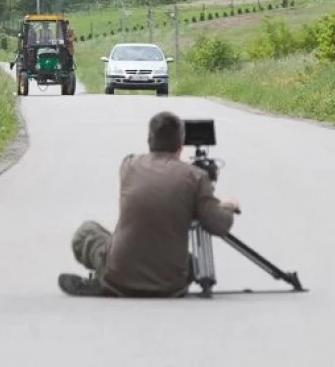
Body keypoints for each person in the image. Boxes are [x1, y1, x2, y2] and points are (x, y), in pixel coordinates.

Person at [58, 111, 239, 298]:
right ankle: (135, 281)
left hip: (119, 273)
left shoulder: (128, 165)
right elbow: (219, 225)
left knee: (86, 231)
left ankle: (107, 282)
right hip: (171, 285)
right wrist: (228, 205)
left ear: (149, 140)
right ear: (180, 143)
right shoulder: (195, 177)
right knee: (192, 263)